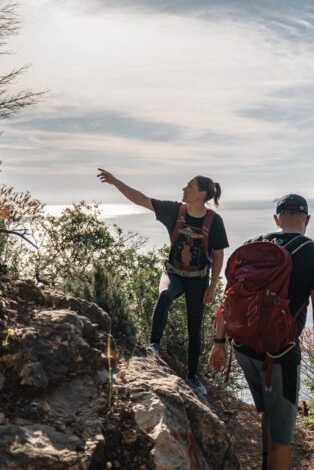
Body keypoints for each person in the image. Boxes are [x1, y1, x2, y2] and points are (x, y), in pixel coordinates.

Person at [208, 194, 314, 470]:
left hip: (243, 347)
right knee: (283, 438)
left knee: (268, 411)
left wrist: (218, 342)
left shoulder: (252, 247)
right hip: (280, 355)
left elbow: (228, 299)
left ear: (276, 219)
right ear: (307, 220)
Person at [97, 168, 228, 395]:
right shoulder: (174, 211)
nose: (183, 189)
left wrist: (213, 285)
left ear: (202, 193)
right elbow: (141, 199)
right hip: (174, 273)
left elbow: (218, 255)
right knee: (165, 295)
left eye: (189, 186)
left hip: (198, 279)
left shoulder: (214, 221)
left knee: (194, 327)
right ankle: (154, 346)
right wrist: (116, 182)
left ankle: (193, 377)